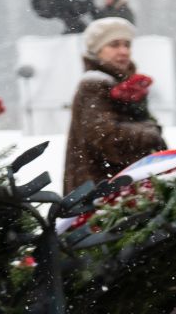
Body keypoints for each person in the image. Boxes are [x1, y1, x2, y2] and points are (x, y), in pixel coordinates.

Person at [63, 16, 164, 192]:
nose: (123, 51)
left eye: (127, 45)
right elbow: (104, 136)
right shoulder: (93, 85)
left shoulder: (120, 84)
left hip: (118, 185)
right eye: (114, 45)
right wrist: (148, 134)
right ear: (98, 50)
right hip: (100, 190)